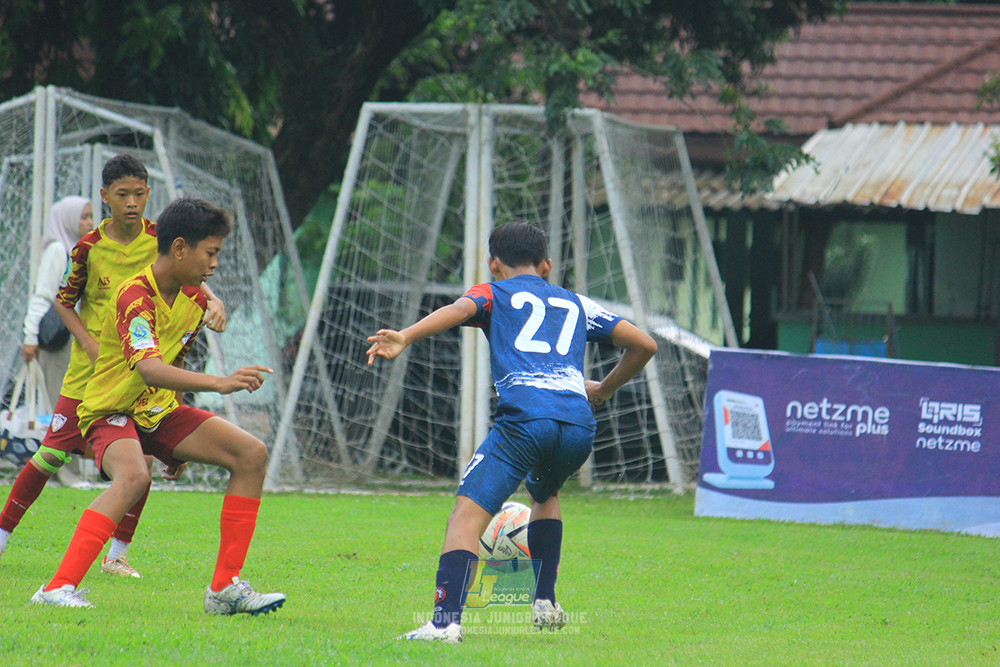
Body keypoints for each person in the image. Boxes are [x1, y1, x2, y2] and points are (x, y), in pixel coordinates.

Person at [366, 221, 658, 642]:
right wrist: (603, 389)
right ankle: (545, 602)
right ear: (546, 265)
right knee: (545, 493)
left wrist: (406, 336)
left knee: (465, 517)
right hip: (578, 425)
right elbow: (644, 344)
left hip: (525, 420)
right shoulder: (576, 302)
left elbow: (458, 311)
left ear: (493, 264)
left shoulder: (491, 291)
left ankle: (445, 624)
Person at [31, 197, 285, 613]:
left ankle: (224, 588)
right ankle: (56, 588)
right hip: (108, 409)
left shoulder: (195, 299)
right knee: (133, 478)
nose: (215, 265)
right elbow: (149, 368)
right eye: (211, 252)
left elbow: (177, 359)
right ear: (181, 248)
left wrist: (179, 441)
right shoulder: (135, 295)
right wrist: (220, 384)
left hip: (158, 413)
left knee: (251, 455)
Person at [0, 154, 226, 576]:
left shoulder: (164, 241)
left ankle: (117, 555)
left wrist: (214, 301)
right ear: (105, 197)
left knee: (139, 462)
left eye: (139, 194)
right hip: (93, 372)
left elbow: (191, 278)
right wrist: (86, 341)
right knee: (51, 453)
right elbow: (63, 301)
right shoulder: (88, 247)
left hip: (145, 369)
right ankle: (3, 535)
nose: (132, 203)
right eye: (122, 194)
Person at [21, 196, 94, 409]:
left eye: (91, 217)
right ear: (68, 220)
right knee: (60, 404)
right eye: (83, 217)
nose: (90, 223)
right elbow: (43, 295)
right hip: (61, 342)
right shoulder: (58, 250)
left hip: (77, 338)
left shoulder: (83, 251)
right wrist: (30, 336)